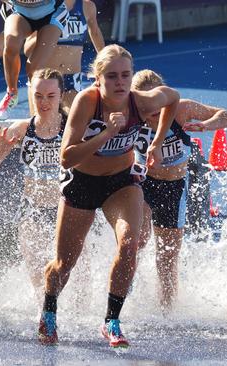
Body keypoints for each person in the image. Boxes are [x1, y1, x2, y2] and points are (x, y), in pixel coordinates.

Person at [37, 44, 179, 348]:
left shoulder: (140, 101)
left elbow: (172, 97)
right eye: (112, 77)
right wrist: (105, 134)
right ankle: (49, 310)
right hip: (82, 182)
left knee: (130, 244)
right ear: (97, 80)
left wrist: (156, 143)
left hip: (121, 182)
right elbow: (66, 157)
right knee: (64, 264)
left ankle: (111, 320)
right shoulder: (87, 104)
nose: (120, 83)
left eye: (125, 75)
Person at [131, 69, 227, 311]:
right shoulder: (132, 114)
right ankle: (123, 302)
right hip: (141, 183)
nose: (153, 112)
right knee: (137, 243)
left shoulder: (181, 110)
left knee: (167, 258)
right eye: (146, 105)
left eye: (157, 104)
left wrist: (206, 125)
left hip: (173, 187)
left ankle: (167, 310)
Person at [0, 68, 66, 299]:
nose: (44, 102)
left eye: (51, 96)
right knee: (38, 277)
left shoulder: (71, 127)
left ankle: (80, 316)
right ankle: (43, 320)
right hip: (33, 210)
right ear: (31, 94)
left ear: (61, 95)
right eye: (38, 96)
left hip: (67, 209)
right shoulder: (23, 128)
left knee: (76, 272)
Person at [0, 0, 69, 120]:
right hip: (19, 11)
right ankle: (11, 93)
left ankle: (48, 113)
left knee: (34, 69)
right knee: (11, 43)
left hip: (52, 13)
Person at [24, 0, 104, 109]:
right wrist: (49, 31)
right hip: (45, 79)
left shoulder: (87, 6)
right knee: (40, 124)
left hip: (71, 78)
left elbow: (95, 32)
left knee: (72, 123)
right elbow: (27, 50)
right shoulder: (41, 8)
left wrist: (105, 62)